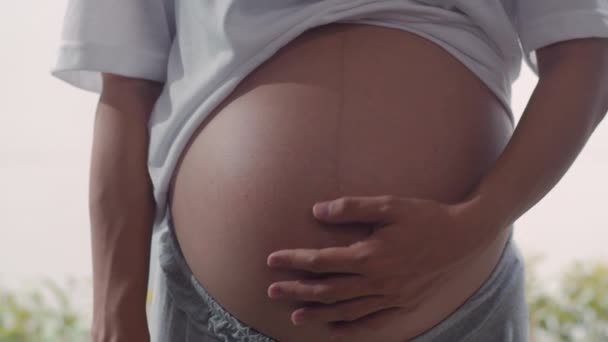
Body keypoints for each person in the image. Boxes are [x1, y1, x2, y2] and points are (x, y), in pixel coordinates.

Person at [50, 1, 608, 341]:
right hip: (209, 313)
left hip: (451, 307)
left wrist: (472, 225)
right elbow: (124, 90)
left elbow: (588, 52)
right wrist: (115, 312)